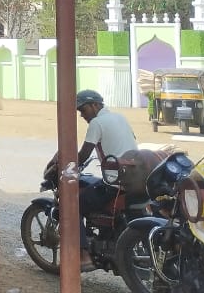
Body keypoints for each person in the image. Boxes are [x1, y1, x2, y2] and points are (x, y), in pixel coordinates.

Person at [74, 89, 138, 271]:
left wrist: (68, 165)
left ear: (95, 105)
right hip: (135, 179)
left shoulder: (97, 123)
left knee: (73, 206)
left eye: (83, 110)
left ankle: (84, 256)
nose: (82, 115)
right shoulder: (120, 117)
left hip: (116, 183)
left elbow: (84, 154)